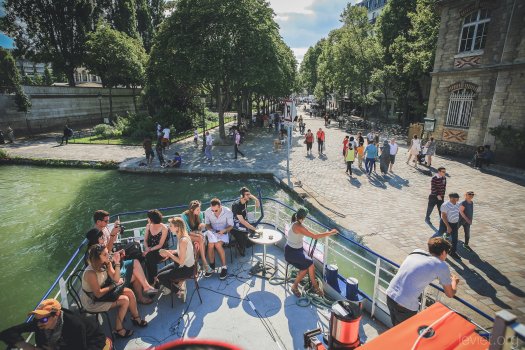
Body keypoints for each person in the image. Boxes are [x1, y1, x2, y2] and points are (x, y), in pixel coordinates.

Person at [386, 238, 460, 326]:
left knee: (395, 330)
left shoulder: (416, 252)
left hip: (390, 295)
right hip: (405, 305)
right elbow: (450, 294)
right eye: (447, 253)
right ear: (444, 252)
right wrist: (454, 281)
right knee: (405, 335)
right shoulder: (441, 265)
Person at [81, 244, 148, 338]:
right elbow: (98, 294)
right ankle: (119, 329)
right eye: (105, 255)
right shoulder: (90, 273)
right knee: (125, 300)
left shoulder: (105, 263)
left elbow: (116, 279)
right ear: (97, 258)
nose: (108, 256)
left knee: (129, 292)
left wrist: (117, 263)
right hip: (92, 301)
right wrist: (114, 285)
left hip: (104, 291)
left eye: (107, 253)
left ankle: (135, 318)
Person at [0, 299, 108, 350]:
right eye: (36, 318)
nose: (38, 324)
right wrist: (25, 345)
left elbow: (79, 348)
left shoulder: (75, 325)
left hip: (92, 340)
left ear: (56, 315)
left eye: (43, 319)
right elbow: (6, 333)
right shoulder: (40, 322)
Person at [85, 229, 157, 304]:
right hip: (109, 278)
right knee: (136, 274)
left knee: (135, 262)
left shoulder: (98, 249)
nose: (104, 239)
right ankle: (141, 296)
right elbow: (102, 270)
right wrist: (115, 262)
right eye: (101, 237)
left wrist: (116, 254)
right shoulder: (92, 256)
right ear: (96, 240)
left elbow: (106, 258)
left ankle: (146, 287)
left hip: (113, 268)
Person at [285, 207, 338, 297]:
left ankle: (314, 286)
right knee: (309, 264)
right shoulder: (299, 226)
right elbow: (315, 236)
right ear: (303, 218)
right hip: (292, 253)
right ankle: (297, 286)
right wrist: (330, 232)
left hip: (293, 250)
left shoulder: (295, 221)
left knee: (310, 264)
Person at [155, 217, 196, 302]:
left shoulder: (182, 240)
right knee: (159, 273)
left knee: (160, 277)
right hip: (184, 265)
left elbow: (181, 261)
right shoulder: (183, 236)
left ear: (177, 227)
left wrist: (168, 254)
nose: (169, 227)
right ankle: (178, 284)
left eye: (171, 226)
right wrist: (171, 251)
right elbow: (181, 251)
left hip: (186, 269)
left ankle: (179, 291)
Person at [181, 200, 213, 277]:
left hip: (196, 234)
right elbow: (187, 231)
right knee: (200, 238)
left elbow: (199, 228)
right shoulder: (184, 216)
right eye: (198, 210)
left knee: (200, 240)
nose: (200, 211)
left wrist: (201, 227)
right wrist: (198, 234)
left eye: (200, 209)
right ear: (192, 210)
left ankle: (196, 266)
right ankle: (205, 263)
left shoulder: (200, 214)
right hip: (187, 235)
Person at [204, 198, 234, 280]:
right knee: (210, 245)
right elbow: (207, 224)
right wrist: (211, 230)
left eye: (215, 210)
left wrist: (224, 230)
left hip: (223, 231)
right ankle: (212, 266)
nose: (213, 212)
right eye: (212, 210)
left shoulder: (228, 212)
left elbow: (231, 226)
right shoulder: (207, 211)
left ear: (220, 206)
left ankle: (224, 267)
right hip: (212, 232)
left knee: (217, 244)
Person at [231, 187, 260, 256]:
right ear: (242, 196)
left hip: (243, 220)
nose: (249, 196)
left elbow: (253, 200)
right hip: (236, 222)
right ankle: (240, 247)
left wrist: (256, 200)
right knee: (246, 231)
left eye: (249, 194)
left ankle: (245, 244)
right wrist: (253, 228)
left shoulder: (245, 200)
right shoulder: (236, 205)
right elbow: (242, 221)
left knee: (253, 233)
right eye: (247, 195)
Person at [143, 209, 169, 283]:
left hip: (161, 250)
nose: (147, 219)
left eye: (148, 217)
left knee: (149, 257)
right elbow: (145, 240)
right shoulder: (148, 226)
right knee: (146, 257)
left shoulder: (164, 228)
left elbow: (160, 245)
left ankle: (153, 280)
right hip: (149, 249)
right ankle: (153, 279)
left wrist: (148, 250)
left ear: (152, 219)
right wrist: (146, 248)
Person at [435, 192, 461, 259]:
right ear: (451, 198)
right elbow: (443, 216)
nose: (458, 199)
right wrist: (448, 226)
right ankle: (441, 253)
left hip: (455, 224)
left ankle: (452, 252)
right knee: (443, 239)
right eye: (456, 198)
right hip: (445, 223)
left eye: (457, 198)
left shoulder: (458, 204)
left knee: (455, 239)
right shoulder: (445, 205)